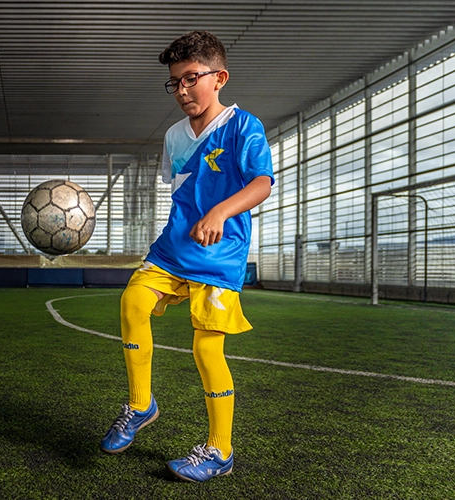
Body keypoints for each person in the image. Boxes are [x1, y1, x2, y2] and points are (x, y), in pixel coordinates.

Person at [99, 30, 274, 483]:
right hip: (173, 250)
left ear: (219, 78)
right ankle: (140, 404)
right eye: (174, 82)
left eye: (190, 79)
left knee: (206, 349)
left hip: (220, 256)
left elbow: (261, 184)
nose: (181, 91)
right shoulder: (175, 136)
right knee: (132, 303)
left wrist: (219, 210)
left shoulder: (243, 126)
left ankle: (220, 450)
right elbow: (179, 191)